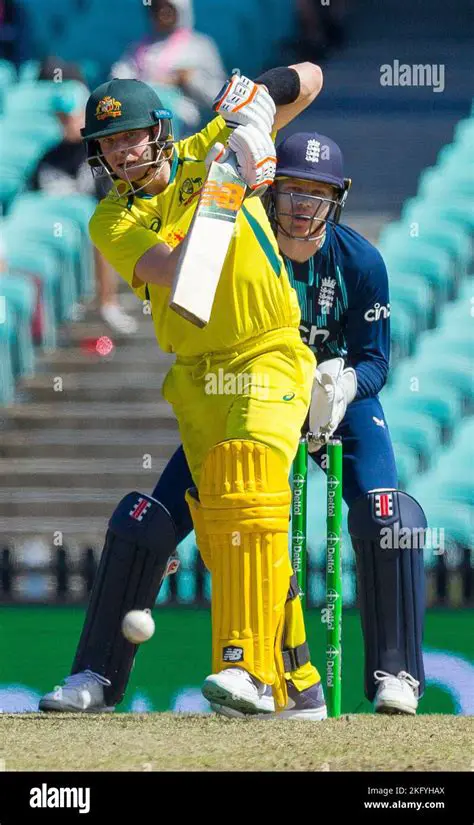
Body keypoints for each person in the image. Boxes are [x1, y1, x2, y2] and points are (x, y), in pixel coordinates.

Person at [39, 63, 329, 721]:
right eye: (108, 143)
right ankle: (292, 683)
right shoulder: (112, 220)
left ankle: (247, 669)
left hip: (268, 351)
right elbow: (178, 274)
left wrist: (258, 101)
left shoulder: (210, 147)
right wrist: (229, 187)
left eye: (132, 137)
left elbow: (313, 79)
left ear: (162, 133)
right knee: (153, 524)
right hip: (198, 377)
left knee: (249, 482)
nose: (120, 151)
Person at [29, 81, 138, 335]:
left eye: (71, 115)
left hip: (95, 230)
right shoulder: (49, 157)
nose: (66, 122)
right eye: (62, 116)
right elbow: (33, 200)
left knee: (98, 227)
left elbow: (112, 201)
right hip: (56, 233)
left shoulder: (102, 154)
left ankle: (107, 302)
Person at [111, 0, 226, 132]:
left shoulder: (200, 46)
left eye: (168, 8)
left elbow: (218, 96)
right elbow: (118, 81)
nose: (162, 13)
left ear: (181, 10)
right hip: (142, 123)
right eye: (156, 8)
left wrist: (189, 79)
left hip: (184, 132)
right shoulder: (138, 48)